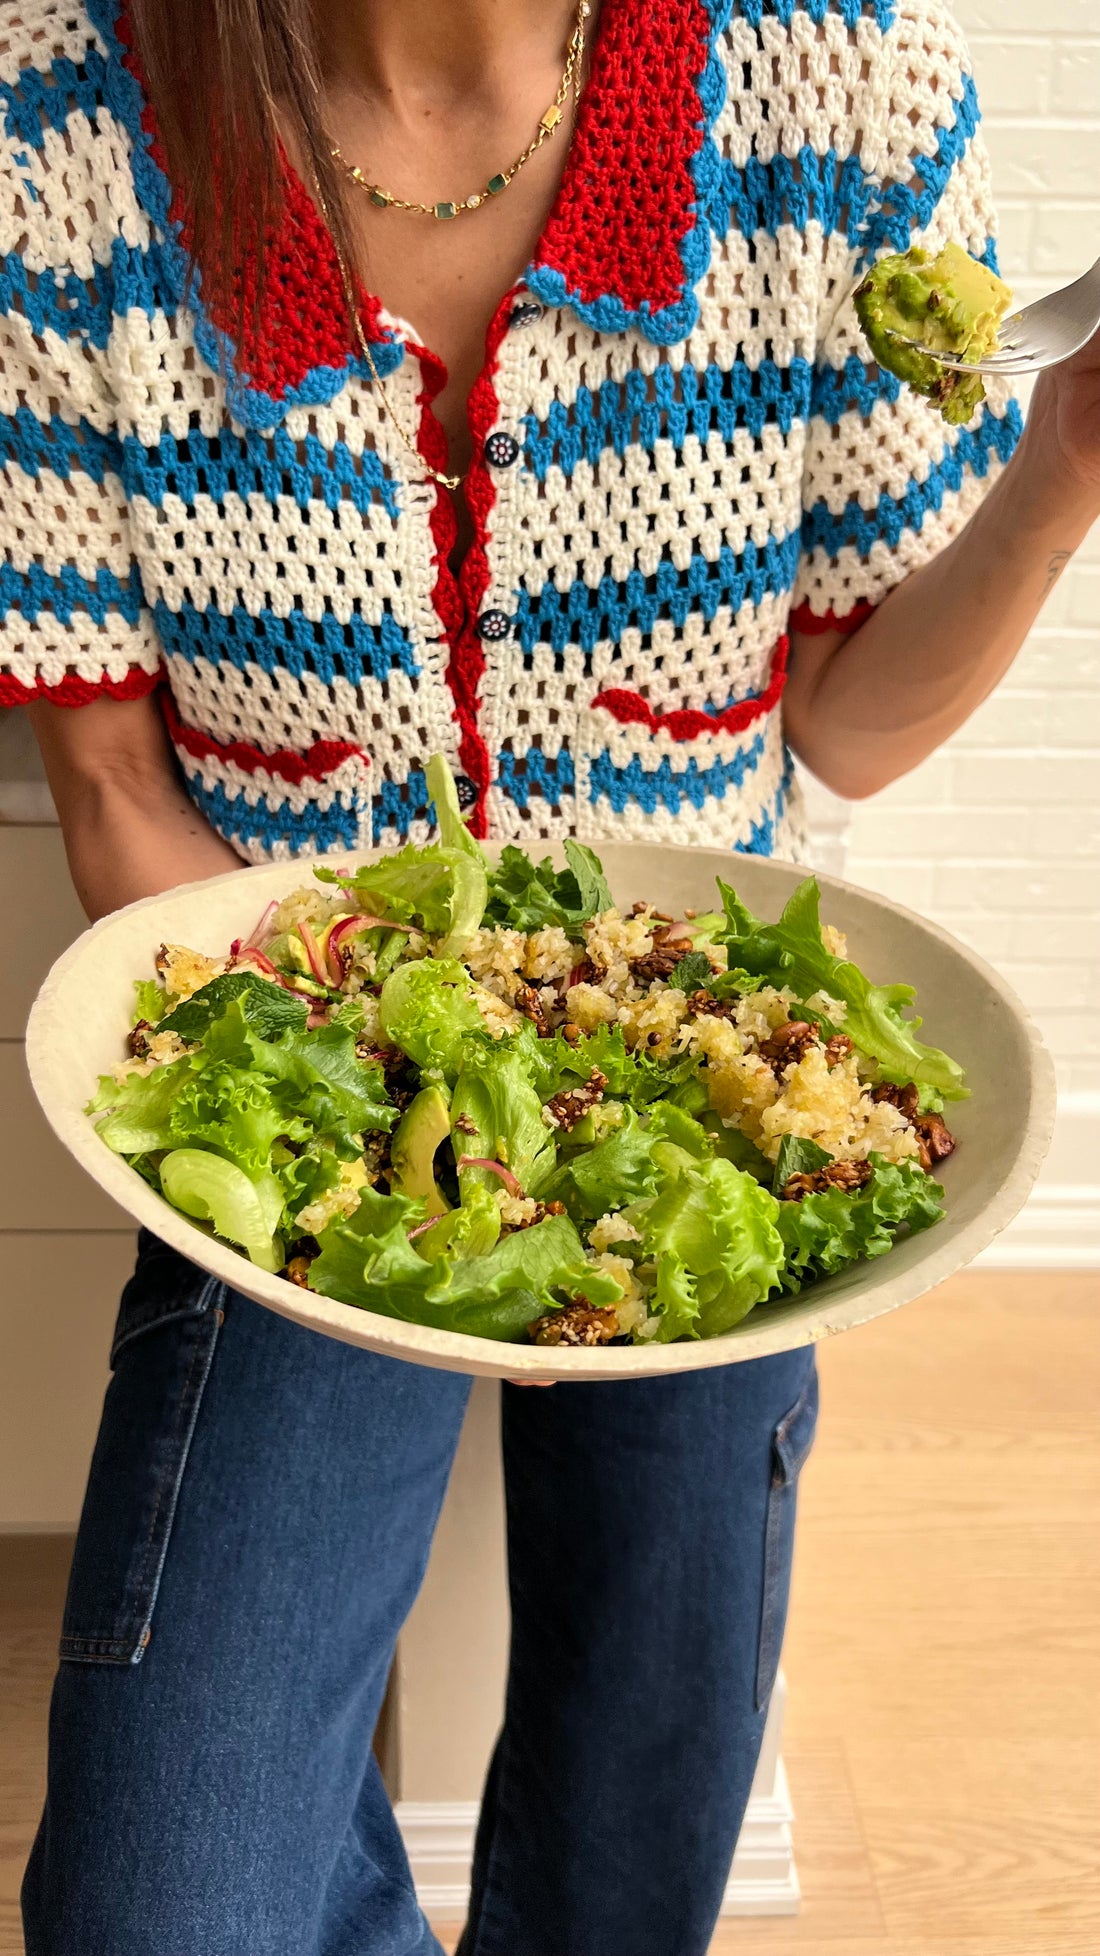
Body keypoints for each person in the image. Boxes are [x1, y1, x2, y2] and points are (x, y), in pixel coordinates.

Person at [5, 0, 1097, 1950]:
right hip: (322, 1089)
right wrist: (337, 1116)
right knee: (150, 1906)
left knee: (636, 1816)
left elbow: (842, 725)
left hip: (712, 1095)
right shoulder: (59, 114)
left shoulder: (840, 79)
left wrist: (1071, 457)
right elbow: (108, 782)